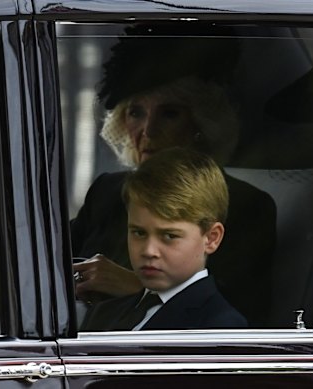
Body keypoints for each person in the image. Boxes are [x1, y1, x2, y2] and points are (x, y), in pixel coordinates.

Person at [70, 27, 276, 327]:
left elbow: (237, 319)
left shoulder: (245, 205)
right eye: (136, 112)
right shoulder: (107, 190)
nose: (148, 131)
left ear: (202, 123)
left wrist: (138, 286)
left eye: (169, 114)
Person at [81, 147, 247, 331]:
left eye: (170, 236)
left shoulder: (219, 326)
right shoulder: (104, 312)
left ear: (211, 238)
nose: (149, 251)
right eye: (139, 233)